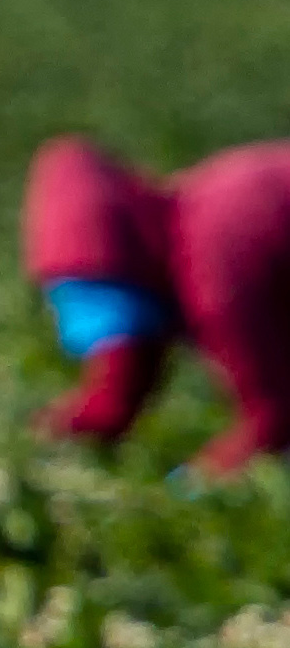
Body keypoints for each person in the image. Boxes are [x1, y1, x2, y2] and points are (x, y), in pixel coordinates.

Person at [24, 134, 290, 474]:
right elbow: (126, 380)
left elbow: (275, 415)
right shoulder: (190, 229)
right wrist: (82, 420)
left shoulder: (220, 269)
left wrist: (201, 481)